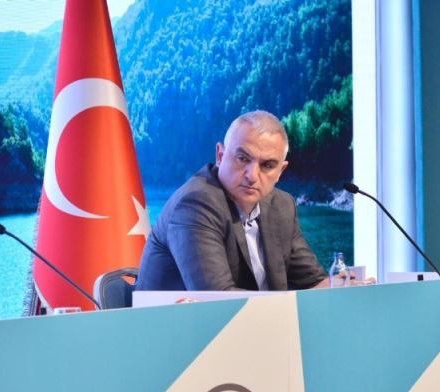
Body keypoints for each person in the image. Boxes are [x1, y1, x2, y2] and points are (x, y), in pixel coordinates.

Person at [137, 110, 329, 291]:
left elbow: (314, 283)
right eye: (243, 159)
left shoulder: (282, 206)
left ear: (280, 171)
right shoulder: (195, 204)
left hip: (251, 315)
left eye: (268, 165)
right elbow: (217, 300)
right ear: (220, 155)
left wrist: (342, 285)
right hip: (174, 316)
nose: (252, 176)